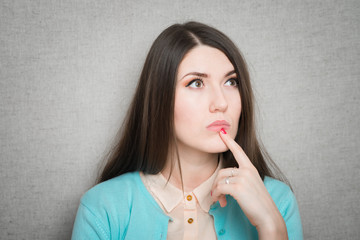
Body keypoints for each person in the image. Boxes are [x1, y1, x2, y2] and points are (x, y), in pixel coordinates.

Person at [71, 22, 303, 240]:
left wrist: (272, 227)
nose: (221, 103)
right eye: (196, 83)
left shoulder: (277, 201)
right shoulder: (102, 207)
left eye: (231, 82)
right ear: (159, 98)